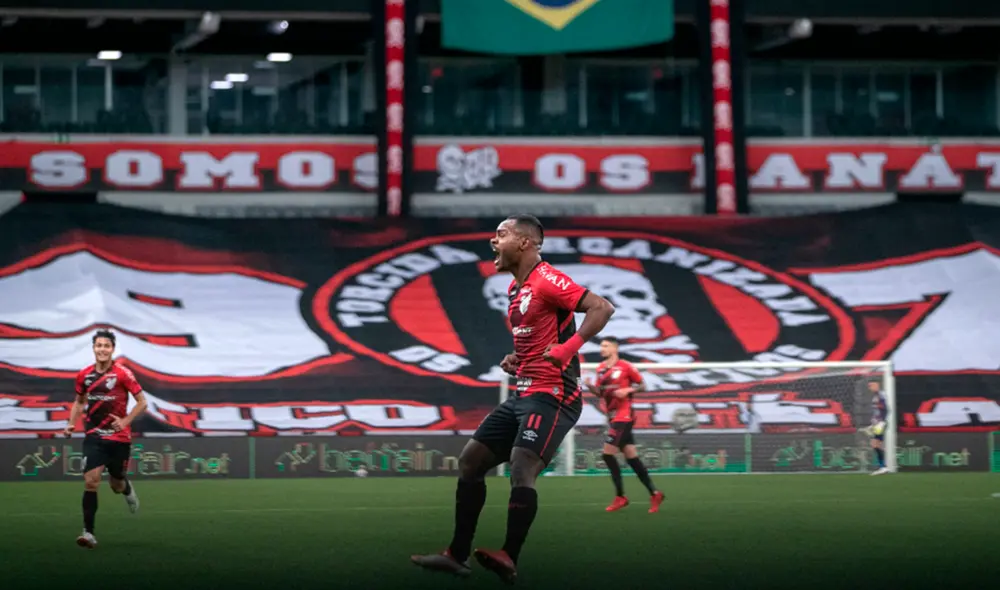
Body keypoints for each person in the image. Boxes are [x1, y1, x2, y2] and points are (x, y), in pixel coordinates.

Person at [411, 215, 615, 584]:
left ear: (525, 243)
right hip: (525, 391)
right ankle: (457, 555)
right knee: (471, 461)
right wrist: (518, 359)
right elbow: (540, 335)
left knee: (523, 464)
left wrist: (568, 348)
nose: (493, 241)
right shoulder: (516, 289)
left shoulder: (546, 279)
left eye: (501, 235)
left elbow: (602, 307)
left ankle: (510, 555)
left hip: (555, 395)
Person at [63, 329, 148, 549]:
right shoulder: (84, 375)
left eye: (106, 346)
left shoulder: (122, 374)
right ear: (94, 348)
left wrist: (126, 421)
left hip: (119, 437)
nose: (102, 349)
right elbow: (80, 402)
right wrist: (71, 423)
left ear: (112, 349)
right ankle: (88, 533)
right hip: (94, 436)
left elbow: (142, 403)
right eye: (99, 345)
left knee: (116, 483)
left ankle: (126, 488)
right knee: (91, 481)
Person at [585, 336, 664, 513]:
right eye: (601, 346)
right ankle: (655, 493)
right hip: (613, 417)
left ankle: (620, 496)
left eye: (605, 346)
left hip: (624, 416)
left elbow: (642, 385)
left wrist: (629, 389)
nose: (602, 349)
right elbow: (600, 393)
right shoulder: (600, 369)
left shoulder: (626, 366)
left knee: (607, 454)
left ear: (614, 348)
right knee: (632, 457)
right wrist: (590, 386)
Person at [867, 378, 890, 476]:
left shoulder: (880, 395)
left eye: (872, 385)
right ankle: (883, 466)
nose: (870, 387)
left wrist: (882, 421)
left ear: (877, 385)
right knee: (876, 444)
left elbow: (886, 409)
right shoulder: (876, 396)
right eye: (869, 386)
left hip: (880, 423)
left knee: (875, 444)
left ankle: (883, 467)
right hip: (877, 423)